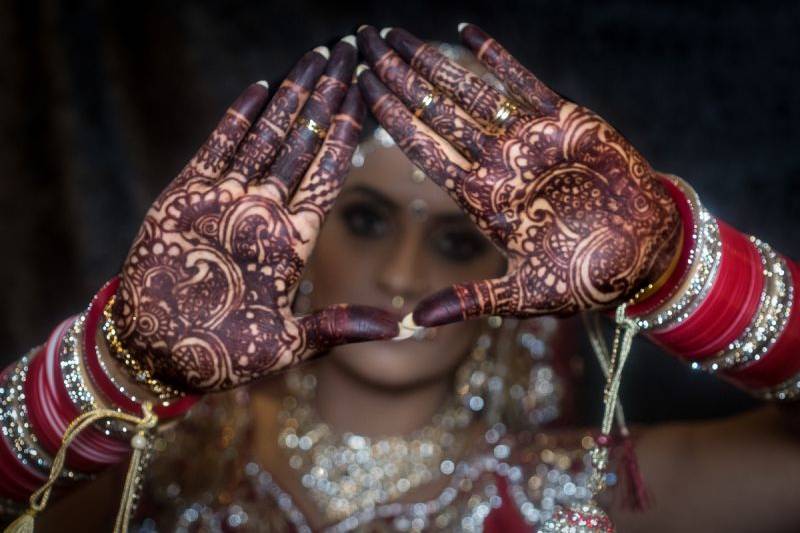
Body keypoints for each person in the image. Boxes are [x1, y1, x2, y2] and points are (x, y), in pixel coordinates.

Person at [2, 24, 799, 533]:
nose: (403, 271)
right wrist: (111, 369)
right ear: (298, 245)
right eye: (368, 220)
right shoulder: (160, 469)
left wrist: (683, 268)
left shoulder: (585, 492)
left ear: (523, 280)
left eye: (457, 238)